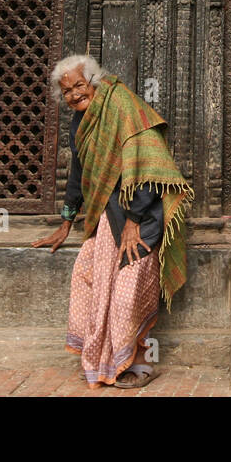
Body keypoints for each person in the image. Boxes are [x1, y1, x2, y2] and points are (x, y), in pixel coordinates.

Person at [32, 53, 193, 389]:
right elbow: (79, 174)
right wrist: (66, 221)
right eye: (67, 91)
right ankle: (106, 359)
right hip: (107, 217)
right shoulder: (81, 121)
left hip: (140, 217)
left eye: (79, 85)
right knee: (88, 279)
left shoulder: (122, 105)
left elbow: (148, 166)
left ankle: (141, 361)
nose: (75, 94)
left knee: (127, 291)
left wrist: (134, 219)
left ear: (92, 80)